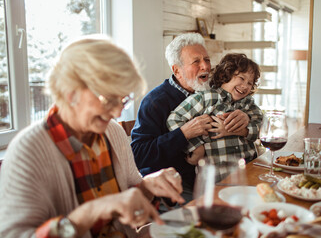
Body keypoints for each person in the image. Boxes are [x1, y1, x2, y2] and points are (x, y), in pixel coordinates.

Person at [0, 35, 185, 238]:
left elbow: (131, 193)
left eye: (123, 100)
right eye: (108, 99)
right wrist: (91, 212)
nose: (116, 113)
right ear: (70, 92)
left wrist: (149, 186)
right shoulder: (28, 151)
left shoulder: (112, 132)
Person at [131, 33, 248, 204]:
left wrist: (244, 116)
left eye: (207, 60)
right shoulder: (154, 101)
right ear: (176, 70)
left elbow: (248, 109)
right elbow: (139, 155)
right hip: (177, 187)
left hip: (215, 175)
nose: (205, 67)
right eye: (196, 62)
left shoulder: (215, 92)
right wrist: (184, 133)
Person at [167, 53, 263, 181]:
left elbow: (260, 128)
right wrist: (196, 147)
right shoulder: (206, 98)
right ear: (225, 75)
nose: (245, 86)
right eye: (241, 78)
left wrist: (243, 130)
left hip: (248, 170)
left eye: (250, 83)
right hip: (217, 176)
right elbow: (174, 119)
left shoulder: (248, 103)